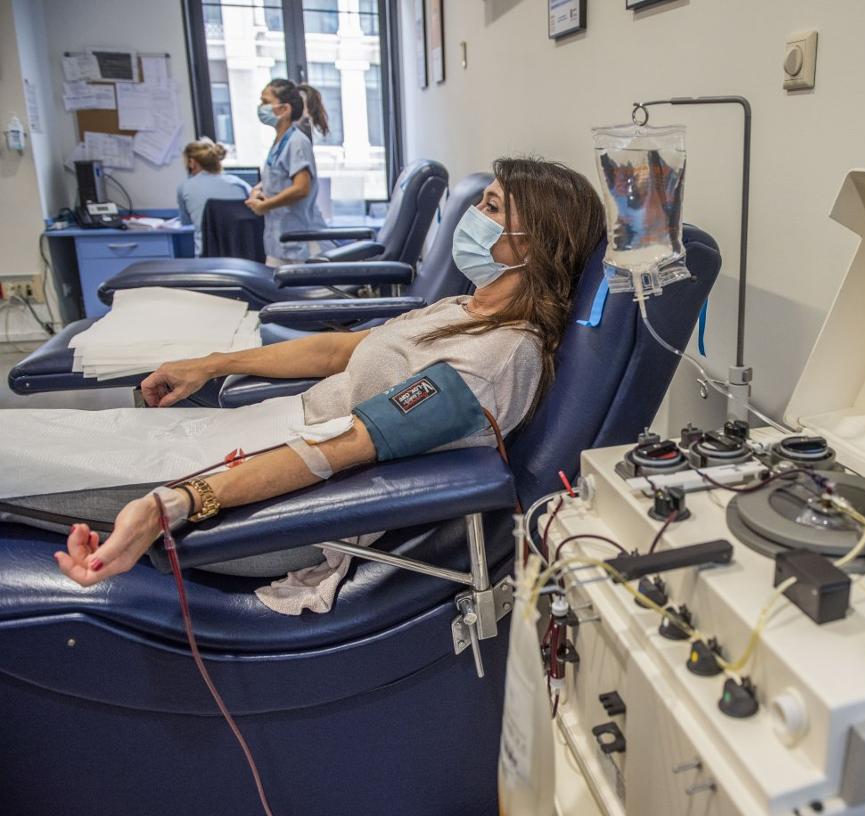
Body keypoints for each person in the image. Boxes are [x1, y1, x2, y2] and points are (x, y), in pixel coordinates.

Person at [37, 158, 605, 591]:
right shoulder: (467, 308)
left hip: (281, 508)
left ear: (540, 244)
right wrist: (213, 364)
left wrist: (173, 503)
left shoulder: (498, 358)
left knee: (31, 472)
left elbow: (341, 446)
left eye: (493, 207)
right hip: (269, 434)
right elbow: (343, 350)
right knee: (61, 442)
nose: (471, 218)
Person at [245, 78, 327, 265]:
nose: (261, 107)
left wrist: (267, 205)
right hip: (280, 239)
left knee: (297, 292)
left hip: (299, 240)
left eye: (266, 102)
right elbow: (278, 177)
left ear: (284, 109)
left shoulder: (297, 141)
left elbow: (301, 188)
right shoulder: (280, 142)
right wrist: (259, 190)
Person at [176, 138, 251, 255]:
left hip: (207, 257)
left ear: (192, 162)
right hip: (243, 254)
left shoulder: (185, 187)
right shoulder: (240, 184)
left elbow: (186, 222)